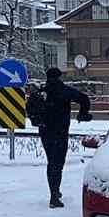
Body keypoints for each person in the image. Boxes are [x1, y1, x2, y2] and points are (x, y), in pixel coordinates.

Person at [36, 67, 91, 208]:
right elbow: (84, 99)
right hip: (60, 132)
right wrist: (82, 114)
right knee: (58, 164)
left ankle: (54, 191)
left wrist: (37, 120)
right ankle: (54, 197)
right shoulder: (64, 90)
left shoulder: (41, 92)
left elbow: (30, 107)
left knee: (51, 162)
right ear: (59, 76)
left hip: (45, 131)